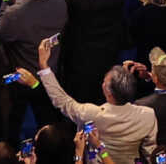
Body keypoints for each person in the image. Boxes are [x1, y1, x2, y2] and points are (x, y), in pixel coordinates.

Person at [27, 45, 156, 164]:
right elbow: (151, 154)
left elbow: (62, 100)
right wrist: (129, 78)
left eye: (105, 82)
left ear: (108, 92)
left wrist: (44, 66)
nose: (102, 83)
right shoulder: (148, 115)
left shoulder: (91, 114)